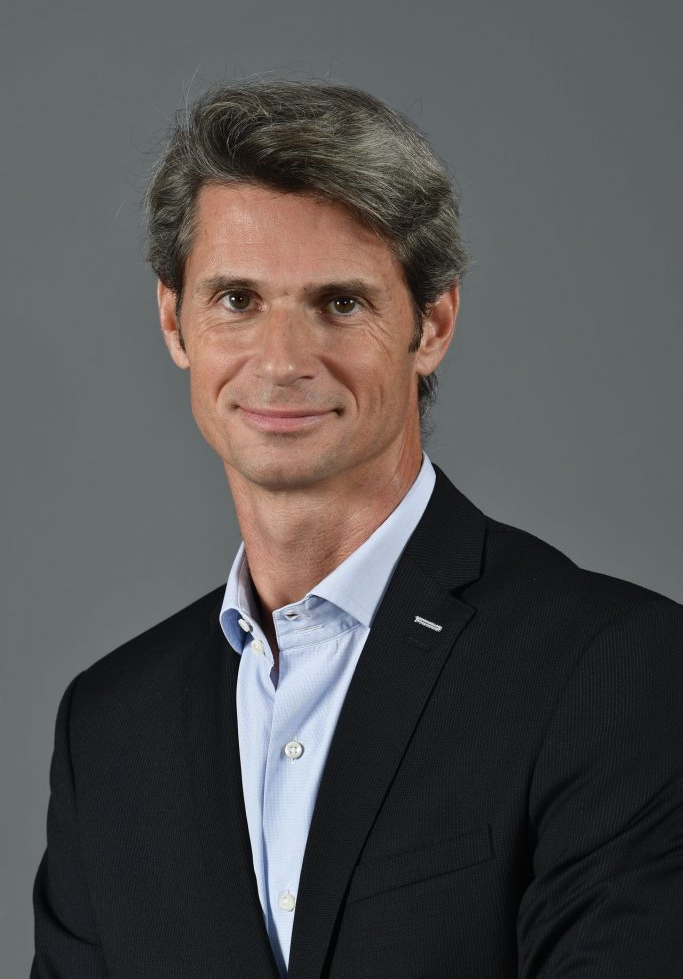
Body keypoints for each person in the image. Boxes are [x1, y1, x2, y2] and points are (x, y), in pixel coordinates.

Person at [31, 79, 683, 979]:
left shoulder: (613, 671)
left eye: (339, 303)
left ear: (432, 325)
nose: (281, 362)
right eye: (236, 300)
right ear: (174, 320)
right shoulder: (109, 728)